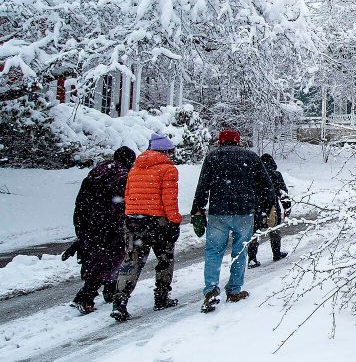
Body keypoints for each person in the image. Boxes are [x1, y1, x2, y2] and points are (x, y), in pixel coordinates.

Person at [190, 129, 274, 313]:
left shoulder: (213, 158)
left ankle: (211, 290)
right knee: (240, 250)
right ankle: (234, 290)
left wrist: (197, 209)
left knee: (213, 251)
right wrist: (267, 208)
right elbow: (266, 185)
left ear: (220, 141)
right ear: (238, 141)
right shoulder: (251, 157)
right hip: (244, 211)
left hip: (218, 212)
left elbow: (203, 185)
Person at [112, 134, 183, 321]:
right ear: (165, 151)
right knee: (165, 259)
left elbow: (127, 196)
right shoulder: (168, 170)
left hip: (135, 221)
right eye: (171, 152)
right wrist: (175, 221)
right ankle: (161, 297)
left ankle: (119, 302)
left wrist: (131, 217)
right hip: (158, 222)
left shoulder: (135, 169)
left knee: (132, 260)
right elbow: (170, 200)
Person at [67, 147, 136, 314]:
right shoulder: (122, 175)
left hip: (89, 221)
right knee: (112, 257)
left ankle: (110, 289)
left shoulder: (95, 172)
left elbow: (81, 199)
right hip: (110, 223)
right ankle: (86, 297)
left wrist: (80, 224)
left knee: (95, 256)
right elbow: (121, 201)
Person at [247, 153, 291, 268]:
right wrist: (287, 209)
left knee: (254, 233)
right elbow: (283, 193)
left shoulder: (253, 174)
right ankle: (276, 253)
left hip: (256, 208)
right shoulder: (276, 174)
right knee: (274, 230)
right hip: (272, 207)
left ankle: (252, 259)